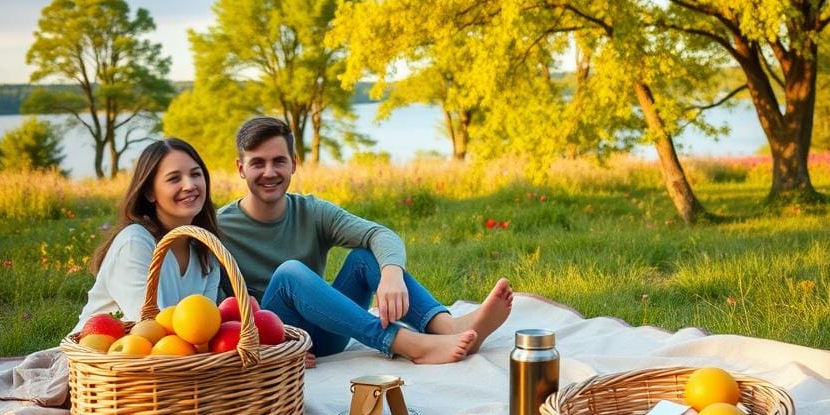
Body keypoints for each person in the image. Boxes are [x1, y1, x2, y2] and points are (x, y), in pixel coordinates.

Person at [217, 116, 514, 364]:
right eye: (257, 163)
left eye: (279, 161)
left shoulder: (311, 210)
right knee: (290, 272)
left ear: (294, 164)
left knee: (365, 258)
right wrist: (268, 350)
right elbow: (214, 305)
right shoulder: (221, 227)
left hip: (324, 335)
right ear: (241, 168)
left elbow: (379, 234)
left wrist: (391, 274)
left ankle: (446, 326)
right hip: (273, 337)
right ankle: (405, 343)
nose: (269, 172)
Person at [72, 138, 221, 332]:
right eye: (174, 178)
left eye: (196, 174)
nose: (190, 185)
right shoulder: (135, 242)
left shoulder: (206, 250)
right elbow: (151, 326)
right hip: (104, 354)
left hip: (173, 358)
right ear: (150, 192)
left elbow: (205, 327)